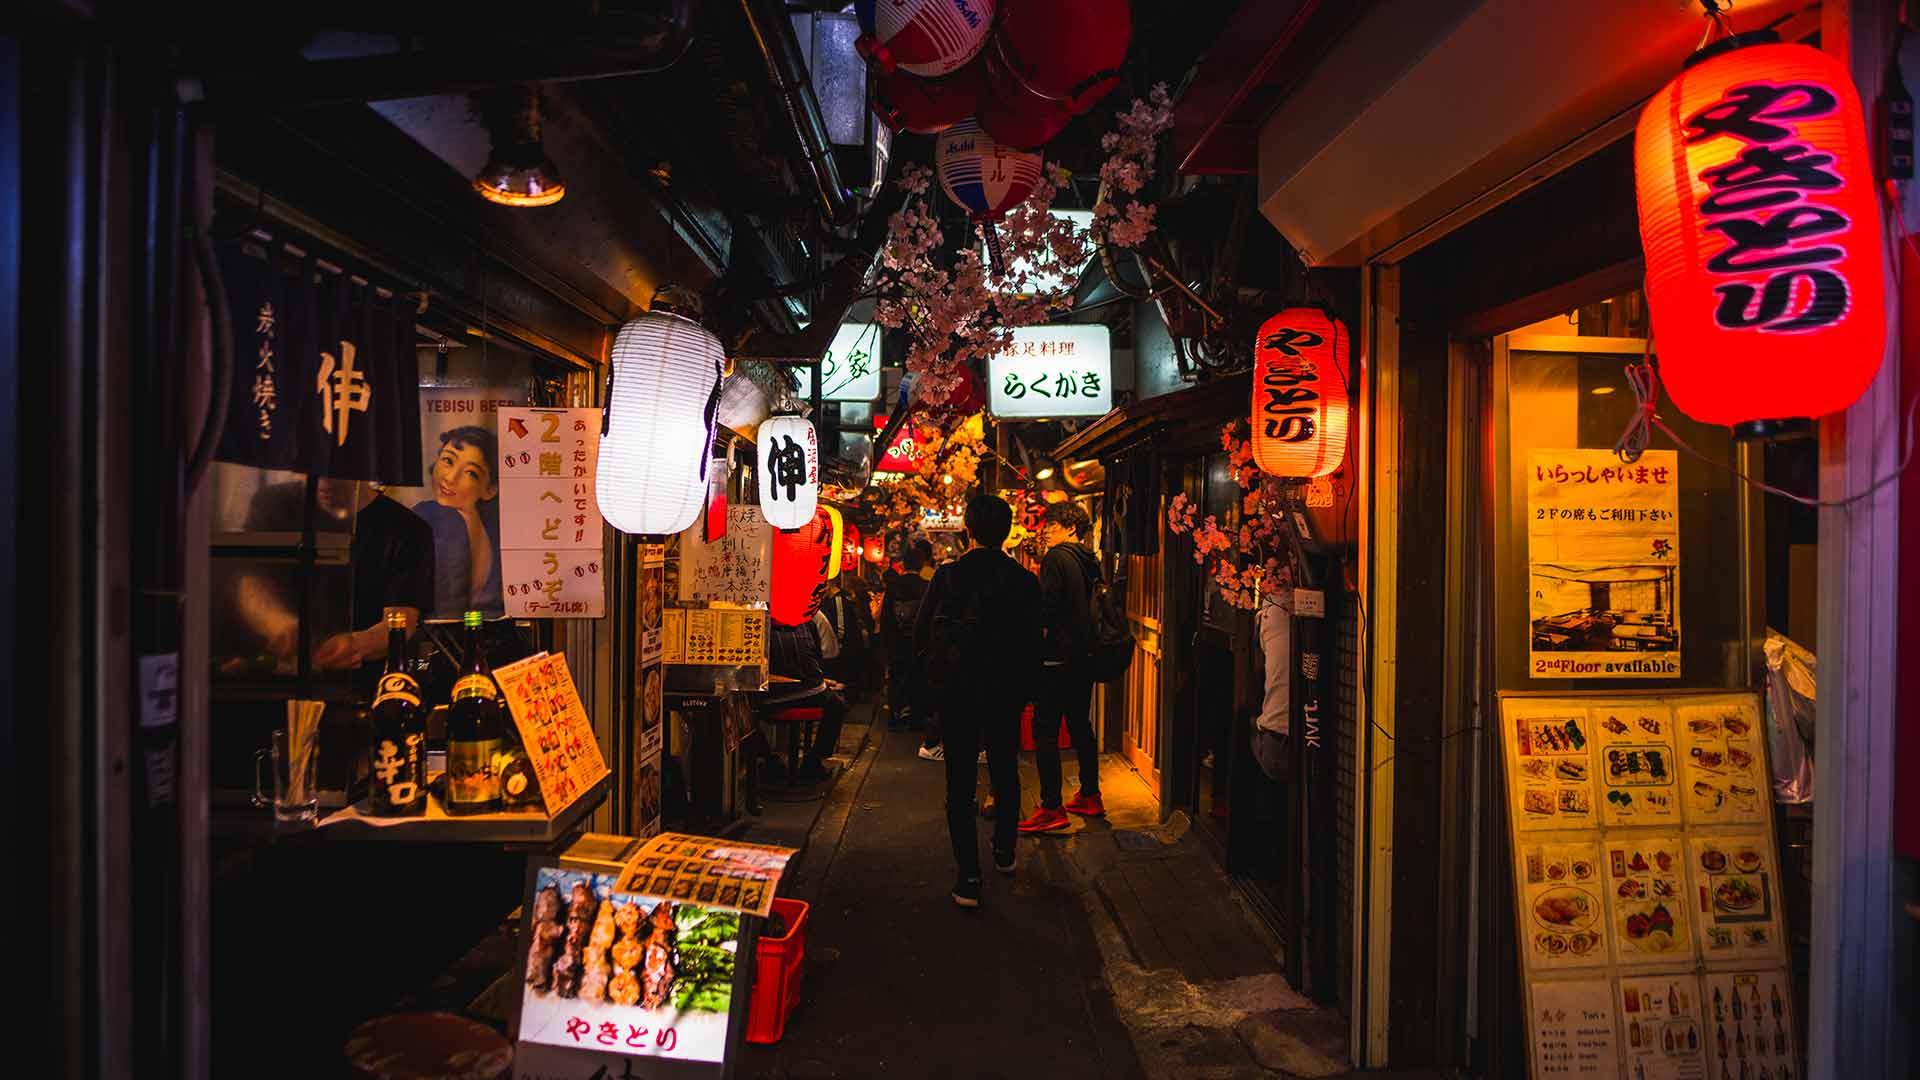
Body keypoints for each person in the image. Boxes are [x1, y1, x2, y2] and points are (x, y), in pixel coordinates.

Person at [914, 495, 1040, 908]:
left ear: (968, 529)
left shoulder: (949, 576)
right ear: (1006, 532)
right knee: (1005, 769)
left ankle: (968, 876)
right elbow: (1032, 643)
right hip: (1005, 692)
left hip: (958, 692)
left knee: (960, 781)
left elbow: (921, 634)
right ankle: (1004, 849)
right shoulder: (1023, 580)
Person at [229, 477, 435, 693]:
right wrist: (280, 624)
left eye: (336, 471)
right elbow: (250, 581)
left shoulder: (407, 529)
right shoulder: (273, 504)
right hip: (266, 684)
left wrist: (356, 644)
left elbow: (400, 622)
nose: (324, 481)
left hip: (361, 690)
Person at [1020, 500, 1105, 834]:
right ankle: (1090, 794)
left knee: (1045, 729)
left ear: (1071, 528)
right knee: (1080, 725)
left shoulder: (1056, 558)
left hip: (1056, 657)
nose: (1047, 530)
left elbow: (1048, 607)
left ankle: (1051, 806)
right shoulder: (1090, 561)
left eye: (1053, 525)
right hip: (1084, 657)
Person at [411, 425, 503, 618]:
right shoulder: (421, 517)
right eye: (448, 460)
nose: (451, 478)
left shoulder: (500, 533)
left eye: (471, 473)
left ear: (491, 489)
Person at [879, 539, 935, 736]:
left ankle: (895, 716)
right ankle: (915, 718)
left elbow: (885, 618)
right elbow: (932, 617)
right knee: (918, 678)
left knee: (896, 678)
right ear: (921, 564)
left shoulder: (894, 587)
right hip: (919, 644)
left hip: (896, 643)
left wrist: (886, 645)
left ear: (904, 564)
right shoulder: (927, 586)